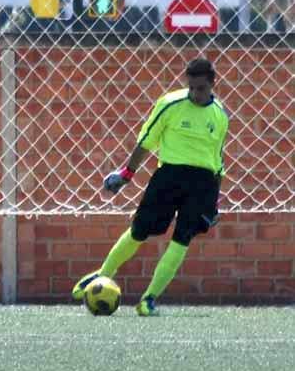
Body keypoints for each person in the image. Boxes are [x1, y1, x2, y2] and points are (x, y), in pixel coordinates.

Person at [72, 58, 229, 316]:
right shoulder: (170, 104)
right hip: (169, 177)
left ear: (212, 84)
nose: (195, 94)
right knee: (139, 231)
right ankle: (102, 276)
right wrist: (126, 173)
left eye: (200, 88)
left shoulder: (220, 115)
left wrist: (214, 202)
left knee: (182, 239)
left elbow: (218, 159)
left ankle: (149, 300)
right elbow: (146, 141)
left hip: (203, 184)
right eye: (191, 88)